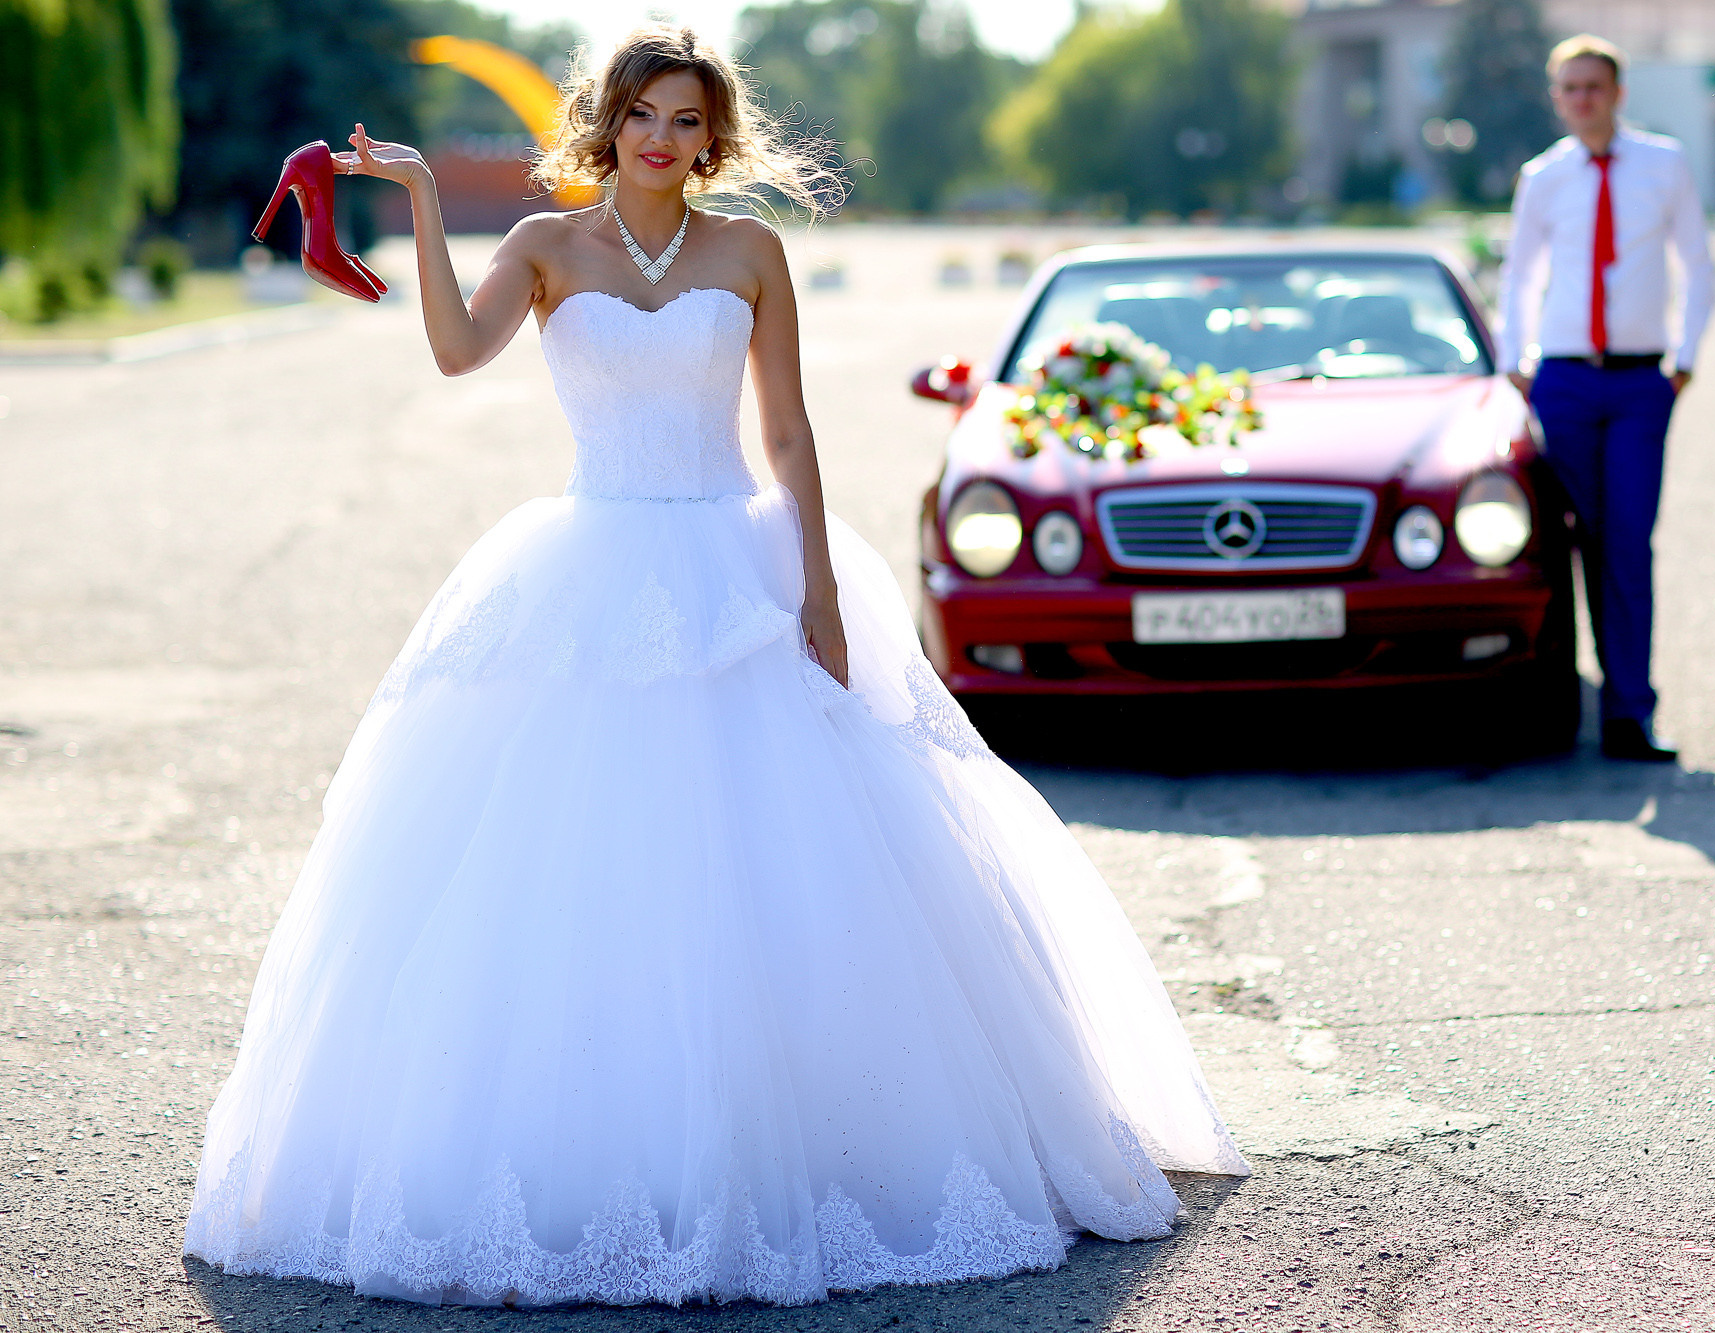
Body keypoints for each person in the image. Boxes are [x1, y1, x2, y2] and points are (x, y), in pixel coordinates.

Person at [182, 24, 1246, 1308]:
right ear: (607, 122)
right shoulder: (544, 245)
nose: (659, 138)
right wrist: (415, 194)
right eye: (641, 114)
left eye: (685, 120)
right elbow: (457, 352)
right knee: (579, 871)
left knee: (803, 861)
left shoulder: (748, 252)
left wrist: (818, 592)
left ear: (712, 139)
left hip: (736, 569)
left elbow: (787, 431)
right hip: (591, 564)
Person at [1499, 34, 1715, 763]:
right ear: (1556, 98)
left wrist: (1684, 362)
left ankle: (1629, 713)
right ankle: (1556, 705)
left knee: (1626, 543)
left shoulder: (1664, 163)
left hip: (1638, 384)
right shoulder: (1543, 177)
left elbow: (1699, 265)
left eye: (1593, 86)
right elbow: (1519, 275)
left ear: (1618, 94)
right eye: (1569, 88)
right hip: (1563, 381)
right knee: (1566, 539)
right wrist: (1515, 363)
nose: (1582, 99)